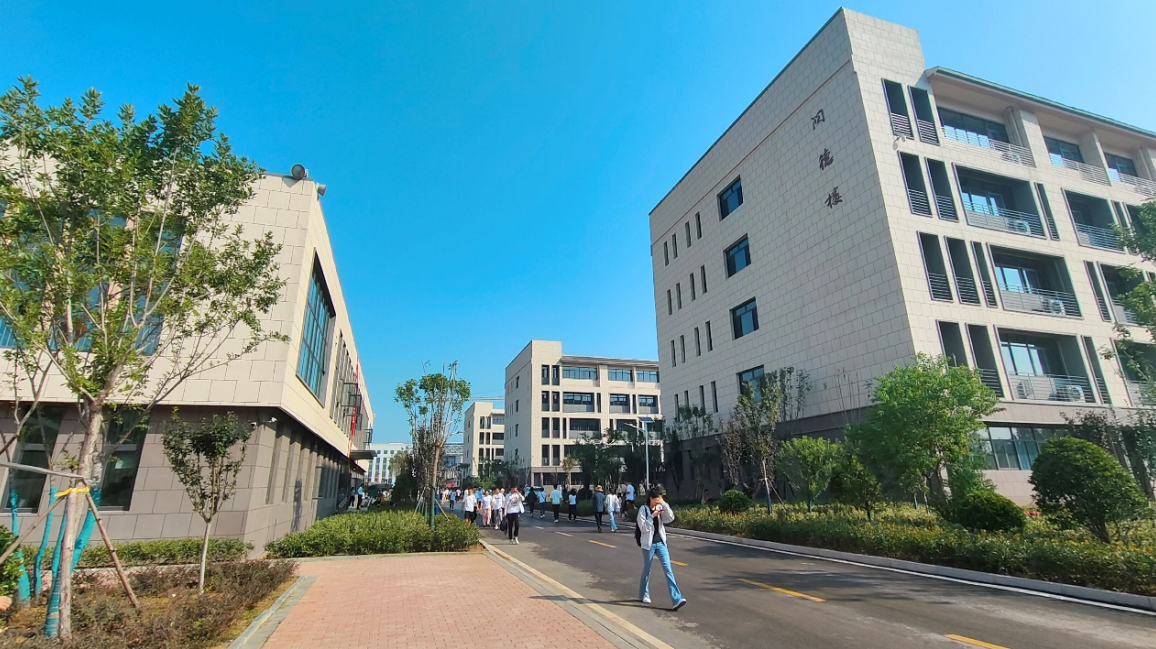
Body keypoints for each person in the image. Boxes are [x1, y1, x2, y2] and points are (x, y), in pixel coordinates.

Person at [637, 488, 686, 611]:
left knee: (668, 570)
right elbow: (643, 528)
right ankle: (644, 594)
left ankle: (676, 599)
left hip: (661, 544)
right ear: (651, 498)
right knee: (647, 570)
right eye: (656, 499)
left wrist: (664, 504)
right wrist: (652, 516)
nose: (658, 501)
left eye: (660, 498)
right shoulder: (643, 510)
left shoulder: (660, 507)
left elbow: (670, 518)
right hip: (648, 545)